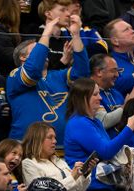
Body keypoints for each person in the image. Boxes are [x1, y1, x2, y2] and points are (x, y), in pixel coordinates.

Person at [65, 78, 134, 191]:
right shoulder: (78, 123)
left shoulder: (94, 122)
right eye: (95, 94)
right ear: (83, 98)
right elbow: (106, 151)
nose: (100, 98)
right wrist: (129, 128)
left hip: (105, 190)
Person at [6, 15, 89, 144]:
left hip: (61, 148)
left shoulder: (58, 75)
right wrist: (46, 34)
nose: (44, 51)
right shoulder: (14, 75)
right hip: (26, 149)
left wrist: (76, 35)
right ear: (23, 58)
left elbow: (82, 74)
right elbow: (32, 70)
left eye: (44, 48)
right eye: (37, 49)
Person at [21, 122, 90, 191]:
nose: (55, 141)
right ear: (37, 140)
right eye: (50, 137)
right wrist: (72, 177)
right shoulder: (29, 164)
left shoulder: (60, 161)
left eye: (55, 137)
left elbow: (79, 190)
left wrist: (85, 174)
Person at [102, 18, 134, 97]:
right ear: (115, 41)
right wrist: (133, 78)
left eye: (132, 28)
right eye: (126, 30)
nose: (133, 31)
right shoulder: (109, 62)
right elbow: (107, 86)